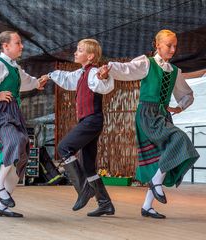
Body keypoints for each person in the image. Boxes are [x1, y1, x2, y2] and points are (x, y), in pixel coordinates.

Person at [99, 29, 200, 219]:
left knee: (162, 157)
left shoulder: (175, 71)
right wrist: (110, 68)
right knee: (180, 139)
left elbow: (187, 94)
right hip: (147, 114)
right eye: (169, 45)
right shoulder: (147, 63)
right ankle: (155, 182)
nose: (172, 49)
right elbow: (127, 69)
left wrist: (179, 108)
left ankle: (147, 206)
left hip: (162, 115)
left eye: (175, 46)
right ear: (157, 44)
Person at [0, 31, 46, 217]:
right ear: (6, 46)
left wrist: (38, 83)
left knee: (21, 156)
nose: (21, 46)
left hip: (13, 113)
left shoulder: (14, 67)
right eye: (18, 43)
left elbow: (25, 81)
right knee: (16, 140)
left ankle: (1, 207)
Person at [41, 39, 115, 217]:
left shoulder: (94, 72)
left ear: (90, 56)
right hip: (88, 121)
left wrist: (103, 76)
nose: (75, 52)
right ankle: (105, 203)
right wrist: (49, 76)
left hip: (92, 120)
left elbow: (103, 84)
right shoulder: (81, 73)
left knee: (64, 147)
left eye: (79, 50)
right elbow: (66, 78)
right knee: (88, 166)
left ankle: (84, 189)